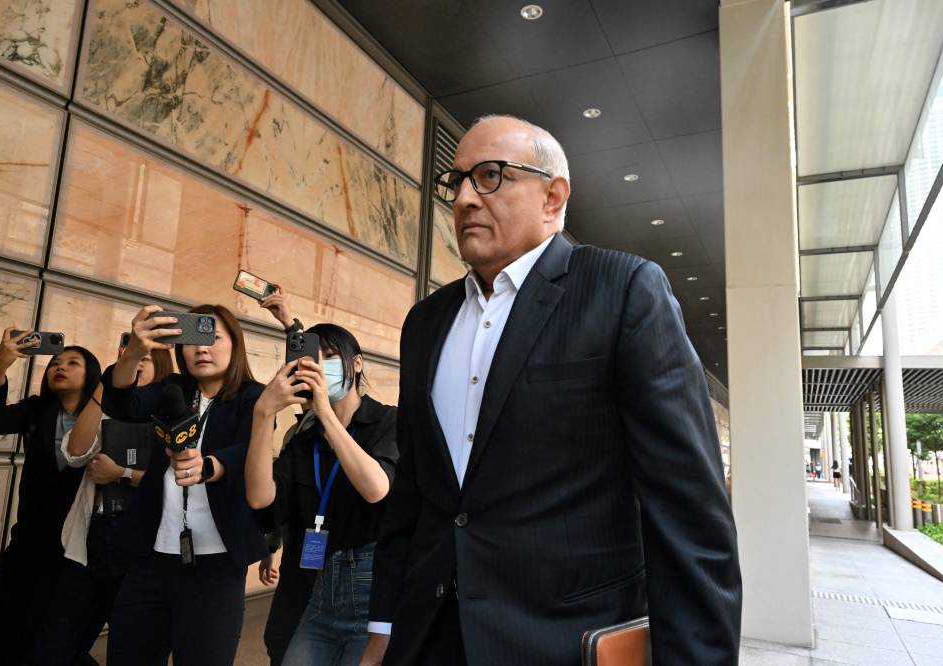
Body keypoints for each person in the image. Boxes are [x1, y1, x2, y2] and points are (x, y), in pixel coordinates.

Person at [360, 115, 742, 666]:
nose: (465, 197)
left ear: (552, 196)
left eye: (490, 176)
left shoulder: (622, 290)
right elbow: (415, 499)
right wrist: (382, 626)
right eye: (457, 181)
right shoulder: (426, 322)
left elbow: (689, 512)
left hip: (562, 640)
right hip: (429, 637)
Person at [100, 304, 266, 666]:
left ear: (235, 345)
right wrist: (135, 352)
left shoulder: (255, 396)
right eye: (192, 340)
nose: (201, 349)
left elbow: (249, 450)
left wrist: (210, 466)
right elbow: (123, 403)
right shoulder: (173, 388)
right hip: (151, 558)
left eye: (213, 338)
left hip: (216, 566)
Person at [247, 311, 398, 665]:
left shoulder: (388, 421)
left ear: (356, 363)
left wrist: (326, 413)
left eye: (329, 357)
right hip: (308, 587)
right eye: (310, 361)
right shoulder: (303, 439)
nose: (318, 368)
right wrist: (262, 414)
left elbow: (376, 488)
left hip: (369, 589)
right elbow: (259, 497)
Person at [28, 348, 173, 664]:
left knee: (133, 652)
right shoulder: (107, 410)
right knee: (54, 648)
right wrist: (106, 385)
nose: (136, 366)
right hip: (93, 541)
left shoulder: (174, 416)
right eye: (131, 360)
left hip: (143, 549)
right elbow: (75, 453)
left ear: (161, 367)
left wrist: (122, 473)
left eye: (144, 360)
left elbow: (180, 482)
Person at [0, 332, 102, 665]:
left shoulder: (107, 420)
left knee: (54, 641)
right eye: (55, 363)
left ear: (92, 374)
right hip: (30, 541)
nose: (60, 367)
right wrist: (1, 366)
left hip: (76, 547)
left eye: (73, 362)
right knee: (9, 634)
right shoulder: (37, 411)